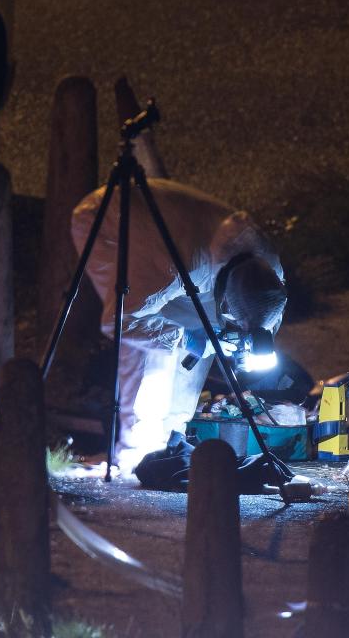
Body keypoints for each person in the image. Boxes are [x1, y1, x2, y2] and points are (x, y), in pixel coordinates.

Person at [71, 166, 287, 473]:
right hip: (106, 221)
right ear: (225, 300)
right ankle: (137, 451)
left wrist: (247, 342)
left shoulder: (270, 270)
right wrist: (183, 338)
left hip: (176, 235)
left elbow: (261, 313)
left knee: (205, 335)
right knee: (154, 347)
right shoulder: (178, 267)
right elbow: (119, 320)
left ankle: (173, 437)